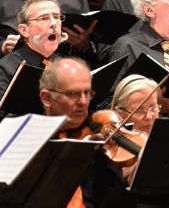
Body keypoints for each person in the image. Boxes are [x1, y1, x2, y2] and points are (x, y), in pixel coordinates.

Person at [39, 58, 131, 207]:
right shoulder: (30, 141)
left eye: (87, 93)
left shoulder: (97, 140)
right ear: (47, 98)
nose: (83, 101)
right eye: (73, 94)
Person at [0, 0, 64, 93]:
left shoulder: (65, 65)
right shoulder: (5, 68)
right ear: (24, 30)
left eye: (56, 17)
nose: (53, 23)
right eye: (44, 18)